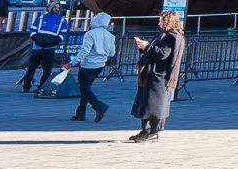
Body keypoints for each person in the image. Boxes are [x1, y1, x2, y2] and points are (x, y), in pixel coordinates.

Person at [127, 10, 184, 143]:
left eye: (161, 20)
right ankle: (145, 130)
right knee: (145, 102)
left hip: (160, 75)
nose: (159, 23)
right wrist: (143, 47)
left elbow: (163, 54)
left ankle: (154, 132)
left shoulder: (172, 37)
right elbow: (153, 51)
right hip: (151, 73)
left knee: (155, 105)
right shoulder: (163, 35)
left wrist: (147, 46)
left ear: (168, 21)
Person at [68, 11, 116, 123]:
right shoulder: (110, 35)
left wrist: (72, 63)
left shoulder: (90, 34)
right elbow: (112, 52)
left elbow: (84, 51)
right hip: (100, 64)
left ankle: (98, 106)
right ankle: (81, 113)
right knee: (86, 88)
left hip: (88, 64)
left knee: (83, 89)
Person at [20, 5, 65, 94]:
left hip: (49, 48)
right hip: (37, 47)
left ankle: (41, 87)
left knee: (47, 70)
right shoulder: (40, 18)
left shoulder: (62, 20)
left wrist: (53, 42)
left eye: (58, 7)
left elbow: (63, 34)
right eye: (55, 7)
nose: (56, 9)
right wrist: (36, 39)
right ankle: (26, 86)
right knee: (31, 68)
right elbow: (32, 30)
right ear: (50, 8)